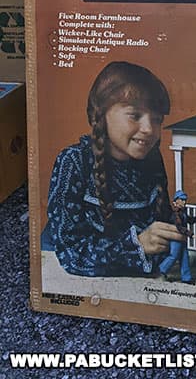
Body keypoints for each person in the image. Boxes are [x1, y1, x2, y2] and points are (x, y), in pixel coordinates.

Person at [43, 61, 185, 277]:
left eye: (157, 120)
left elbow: (159, 222)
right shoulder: (73, 162)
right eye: (135, 115)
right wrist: (136, 244)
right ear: (100, 115)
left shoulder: (152, 160)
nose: (149, 129)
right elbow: (71, 253)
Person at [159, 190, 196, 285]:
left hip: (182, 238)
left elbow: (190, 220)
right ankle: (162, 269)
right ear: (176, 201)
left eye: (185, 200)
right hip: (176, 238)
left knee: (184, 257)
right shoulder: (175, 214)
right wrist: (191, 234)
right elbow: (179, 227)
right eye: (182, 200)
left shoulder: (182, 212)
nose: (184, 202)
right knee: (174, 256)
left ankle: (186, 278)